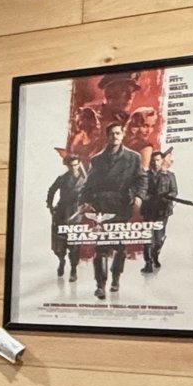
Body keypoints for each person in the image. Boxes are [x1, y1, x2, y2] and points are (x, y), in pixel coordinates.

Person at [81, 121, 144, 298]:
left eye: (118, 133)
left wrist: (139, 197)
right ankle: (100, 285)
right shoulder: (97, 159)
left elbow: (141, 179)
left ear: (122, 135)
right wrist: (85, 201)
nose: (115, 136)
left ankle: (116, 279)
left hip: (122, 206)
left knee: (119, 247)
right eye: (111, 134)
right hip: (102, 207)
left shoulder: (134, 158)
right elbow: (89, 184)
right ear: (107, 136)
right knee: (100, 247)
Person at [44, 156, 89, 284]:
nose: (73, 168)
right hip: (62, 214)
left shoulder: (85, 180)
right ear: (67, 166)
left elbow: (90, 194)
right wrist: (50, 206)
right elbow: (51, 191)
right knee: (60, 243)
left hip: (76, 215)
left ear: (79, 164)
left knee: (74, 244)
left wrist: (86, 204)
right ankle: (61, 261)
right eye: (71, 165)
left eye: (75, 165)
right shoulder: (62, 178)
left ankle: (73, 269)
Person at [139, 147, 177, 273]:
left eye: (158, 160)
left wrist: (167, 197)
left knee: (159, 238)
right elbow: (141, 190)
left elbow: (174, 191)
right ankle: (148, 262)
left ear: (162, 161)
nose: (155, 163)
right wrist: (146, 197)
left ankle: (155, 256)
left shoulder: (169, 175)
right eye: (153, 160)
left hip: (162, 211)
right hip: (149, 210)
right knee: (147, 237)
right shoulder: (145, 176)